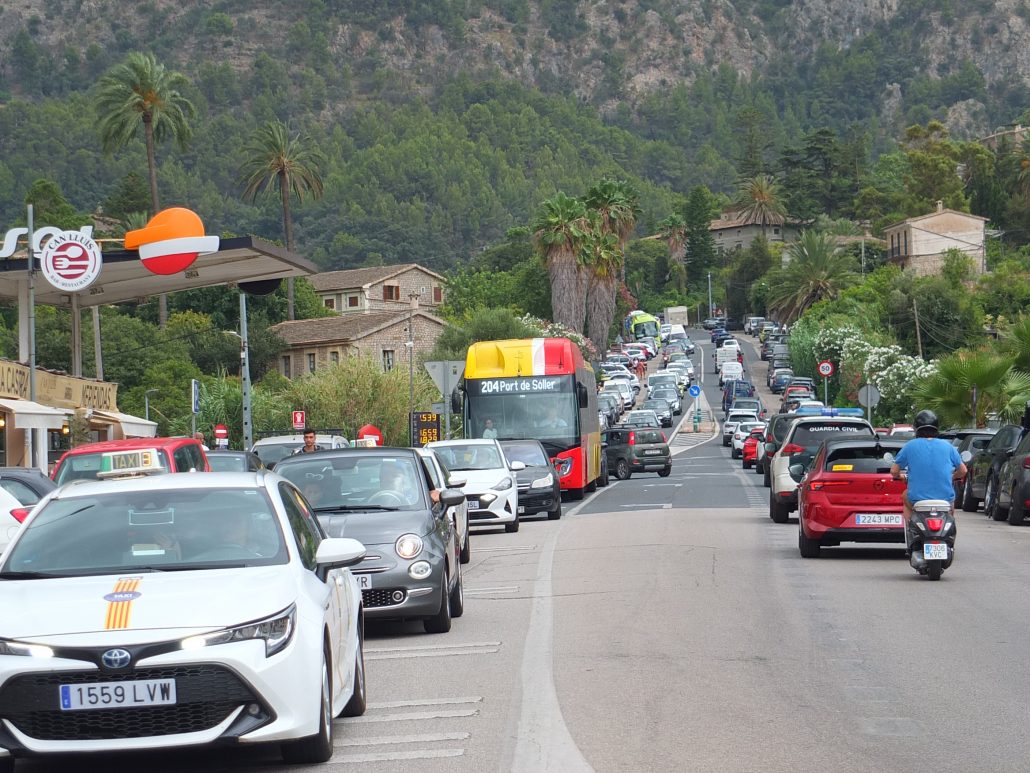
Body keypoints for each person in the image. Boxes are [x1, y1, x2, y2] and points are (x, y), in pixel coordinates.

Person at [890, 409, 966, 536]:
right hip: (945, 500)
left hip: (917, 500)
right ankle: (948, 535)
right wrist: (953, 477)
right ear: (936, 428)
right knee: (950, 510)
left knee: (905, 495)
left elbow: (894, 471)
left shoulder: (910, 446)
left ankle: (910, 530)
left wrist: (900, 476)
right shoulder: (948, 447)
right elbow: (963, 470)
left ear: (916, 429)